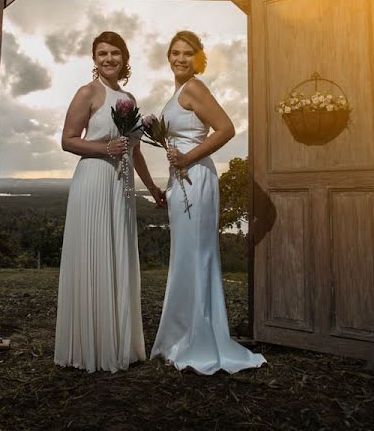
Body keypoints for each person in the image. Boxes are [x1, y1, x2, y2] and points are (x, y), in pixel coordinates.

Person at [150, 30, 266, 375]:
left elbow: (226, 128)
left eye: (188, 53)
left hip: (197, 177)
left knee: (197, 254)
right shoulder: (179, 92)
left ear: (197, 58)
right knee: (185, 255)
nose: (181, 59)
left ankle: (200, 339)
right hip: (183, 179)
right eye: (175, 52)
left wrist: (186, 159)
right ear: (168, 56)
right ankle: (183, 334)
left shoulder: (196, 87)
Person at [54, 31, 167, 373]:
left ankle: (119, 341)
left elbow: (135, 150)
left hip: (123, 188)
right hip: (94, 181)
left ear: (125, 58)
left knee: (117, 254)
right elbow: (67, 140)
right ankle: (92, 344)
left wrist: (153, 188)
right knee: (95, 253)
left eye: (115, 53)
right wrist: (104, 148)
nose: (108, 59)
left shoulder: (129, 98)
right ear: (94, 59)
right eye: (102, 53)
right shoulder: (87, 93)